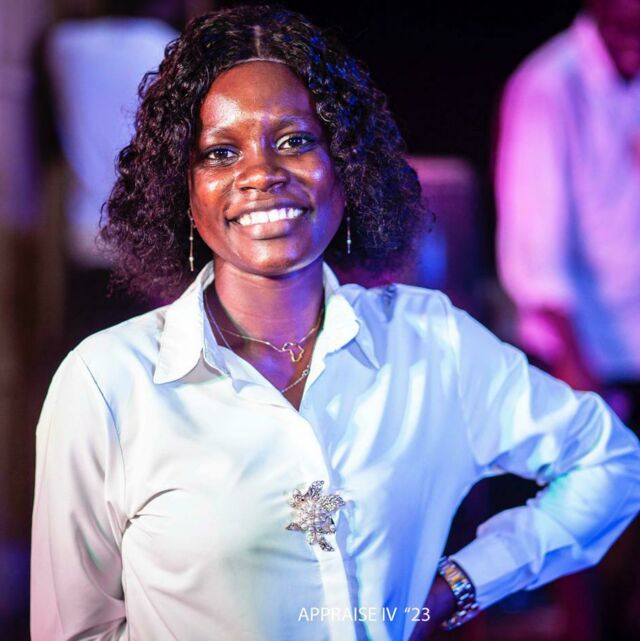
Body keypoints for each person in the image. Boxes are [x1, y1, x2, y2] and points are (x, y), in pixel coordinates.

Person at [30, 5, 640, 641]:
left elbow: (611, 463)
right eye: (221, 152)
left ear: (345, 165)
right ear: (183, 191)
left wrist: (456, 587)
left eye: (295, 141)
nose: (261, 174)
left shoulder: (430, 345)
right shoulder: (108, 383)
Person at [495, 0, 640, 422]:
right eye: (624, 26)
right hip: (585, 358)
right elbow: (537, 259)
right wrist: (578, 377)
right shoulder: (549, 87)